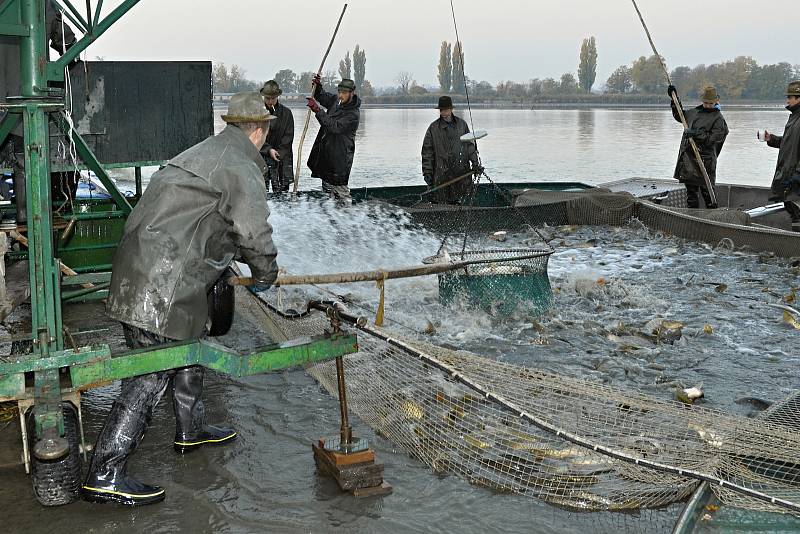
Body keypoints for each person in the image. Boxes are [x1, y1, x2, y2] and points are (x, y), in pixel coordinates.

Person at [82, 92, 279, 506]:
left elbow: (210, 221)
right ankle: (105, 471)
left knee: (186, 347)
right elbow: (253, 230)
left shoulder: (204, 152)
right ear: (259, 131)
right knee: (151, 372)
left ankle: (190, 430)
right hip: (162, 282)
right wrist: (266, 273)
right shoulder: (241, 164)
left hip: (140, 267)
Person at [0, 0, 76, 222]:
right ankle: (26, 231)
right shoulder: (42, 4)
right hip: (25, 104)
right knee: (26, 164)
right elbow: (69, 45)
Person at [667, 85, 729, 209]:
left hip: (705, 162)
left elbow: (713, 139)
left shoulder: (718, 119)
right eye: (706, 102)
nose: (708, 105)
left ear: (716, 102)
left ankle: (713, 218)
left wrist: (696, 134)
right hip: (689, 160)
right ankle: (693, 217)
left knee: (708, 194)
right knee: (691, 194)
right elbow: (679, 115)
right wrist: (674, 100)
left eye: (710, 103)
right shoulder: (694, 112)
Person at [306, 76, 360, 201]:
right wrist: (317, 87)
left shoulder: (353, 114)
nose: (341, 95)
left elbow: (334, 127)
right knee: (327, 193)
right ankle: (330, 216)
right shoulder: (336, 101)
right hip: (327, 156)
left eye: (344, 93)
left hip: (340, 160)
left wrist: (317, 110)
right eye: (339, 92)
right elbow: (322, 97)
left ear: (352, 93)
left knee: (341, 192)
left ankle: (348, 216)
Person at [421, 95, 482, 205]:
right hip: (441, 175)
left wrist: (475, 164)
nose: (443, 113)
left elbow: (470, 146)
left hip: (461, 174)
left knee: (461, 200)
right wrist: (427, 172)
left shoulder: (462, 125)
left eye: (445, 110)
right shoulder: (433, 128)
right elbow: (427, 153)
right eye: (441, 110)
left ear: (451, 109)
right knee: (440, 201)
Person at [764, 81, 800, 232]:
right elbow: (788, 143)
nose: (787, 100)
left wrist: (798, 173)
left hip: (795, 175)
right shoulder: (794, 117)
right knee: (791, 207)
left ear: (798, 98)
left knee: (795, 208)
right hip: (788, 172)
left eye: (790, 97)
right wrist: (771, 139)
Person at [259, 80, 294, 193]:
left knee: (282, 194)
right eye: (267, 98)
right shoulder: (257, 113)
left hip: (281, 159)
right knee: (261, 192)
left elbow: (289, 137)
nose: (270, 101)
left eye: (272, 98)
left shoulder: (287, 113)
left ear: (278, 97)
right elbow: (253, 137)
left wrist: (278, 152)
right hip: (261, 157)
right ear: (263, 97)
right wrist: (268, 150)